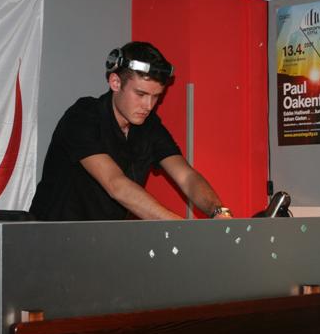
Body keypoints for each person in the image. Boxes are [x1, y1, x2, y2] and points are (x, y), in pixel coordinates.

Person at [29, 41, 232, 221]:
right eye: (141, 94)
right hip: (52, 239)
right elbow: (116, 184)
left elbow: (186, 176)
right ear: (115, 82)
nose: (148, 105)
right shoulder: (83, 116)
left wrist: (219, 212)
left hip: (104, 241)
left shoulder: (149, 126)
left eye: (156, 96)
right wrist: (180, 228)